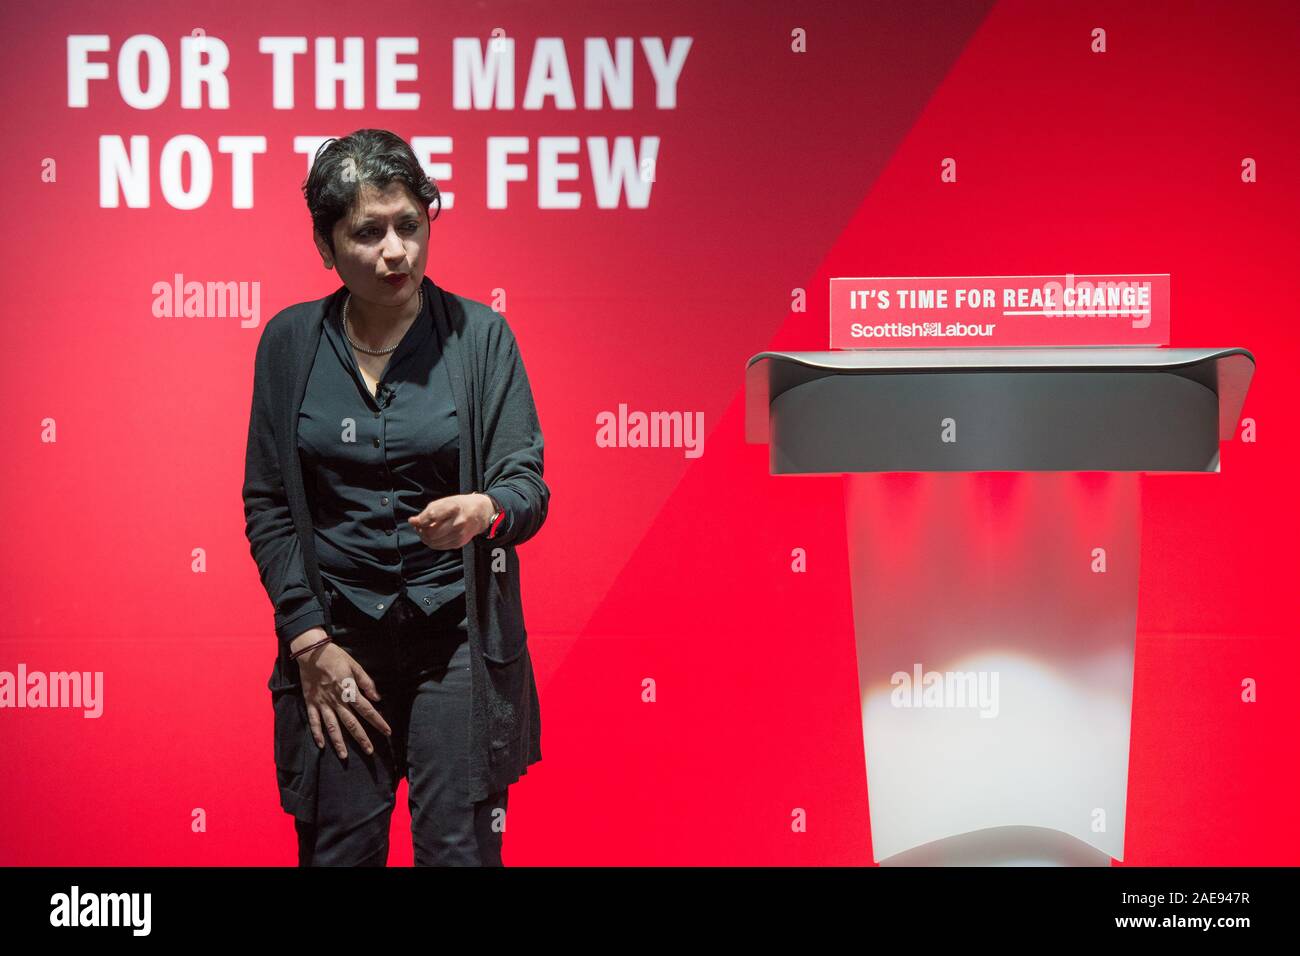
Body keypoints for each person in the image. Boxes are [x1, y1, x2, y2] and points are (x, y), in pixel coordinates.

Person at [242, 128, 548, 866]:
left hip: (457, 645)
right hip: (338, 648)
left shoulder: (480, 338)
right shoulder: (289, 344)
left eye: (410, 225)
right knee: (339, 854)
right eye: (367, 232)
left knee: (457, 853)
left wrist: (486, 511)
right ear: (325, 246)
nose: (395, 252)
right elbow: (269, 504)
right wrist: (309, 642)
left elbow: (526, 487)